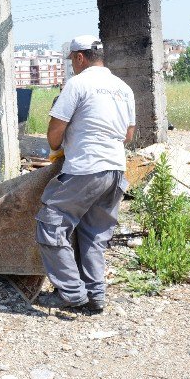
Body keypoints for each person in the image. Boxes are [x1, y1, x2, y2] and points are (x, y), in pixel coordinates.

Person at [36, 35, 135, 312]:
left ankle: (70, 294)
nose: (72, 65)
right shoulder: (123, 88)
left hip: (85, 169)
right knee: (93, 235)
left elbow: (56, 131)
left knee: (51, 225)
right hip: (116, 170)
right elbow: (128, 134)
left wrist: (57, 146)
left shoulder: (77, 84)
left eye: (72, 60)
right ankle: (96, 297)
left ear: (80, 57)